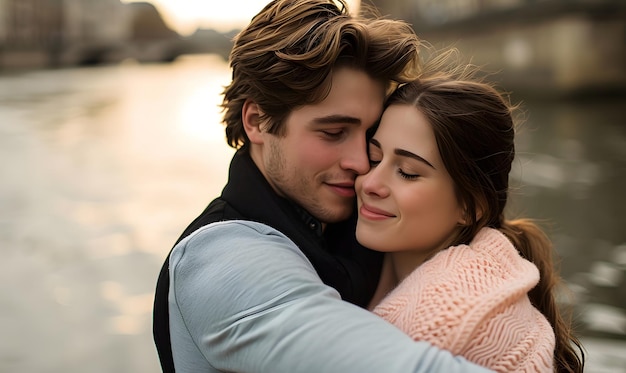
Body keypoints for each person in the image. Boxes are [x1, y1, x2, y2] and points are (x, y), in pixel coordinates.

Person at [153, 0, 494, 372]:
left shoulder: (364, 225)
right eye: (334, 132)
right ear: (257, 122)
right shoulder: (220, 259)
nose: (361, 163)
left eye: (370, 136)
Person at [355, 60, 586, 372]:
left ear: (470, 206)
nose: (369, 183)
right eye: (373, 157)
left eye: (407, 173)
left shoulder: (450, 323)